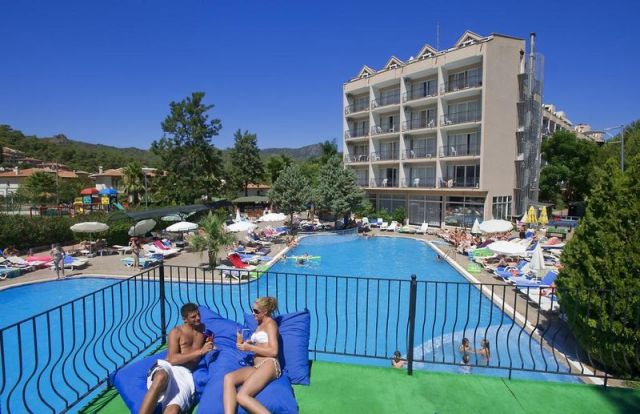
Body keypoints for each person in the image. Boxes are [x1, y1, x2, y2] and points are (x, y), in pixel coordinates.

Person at [139, 303, 213, 414]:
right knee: (160, 377)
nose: (198, 318)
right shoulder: (176, 332)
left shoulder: (203, 330)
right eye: (193, 317)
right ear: (185, 319)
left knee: (173, 411)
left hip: (185, 374)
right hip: (169, 366)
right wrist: (200, 352)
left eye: (198, 314)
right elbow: (172, 359)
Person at [224, 297, 280, 414]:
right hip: (257, 367)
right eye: (252, 310)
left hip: (269, 363)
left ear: (265, 312)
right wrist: (248, 343)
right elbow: (261, 342)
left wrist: (250, 348)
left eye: (256, 311)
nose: (253, 313)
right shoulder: (259, 325)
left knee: (242, 396)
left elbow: (274, 351)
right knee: (228, 378)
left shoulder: (270, 324)